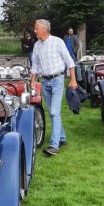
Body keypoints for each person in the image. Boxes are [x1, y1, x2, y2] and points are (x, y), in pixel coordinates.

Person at [31, 18, 78, 157]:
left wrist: (73, 80)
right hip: (45, 82)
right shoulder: (37, 45)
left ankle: (54, 145)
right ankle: (61, 137)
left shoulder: (58, 42)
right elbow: (35, 65)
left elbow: (70, 62)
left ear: (44, 29)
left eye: (36, 28)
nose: (34, 31)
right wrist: (33, 81)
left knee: (54, 111)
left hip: (57, 80)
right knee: (53, 112)